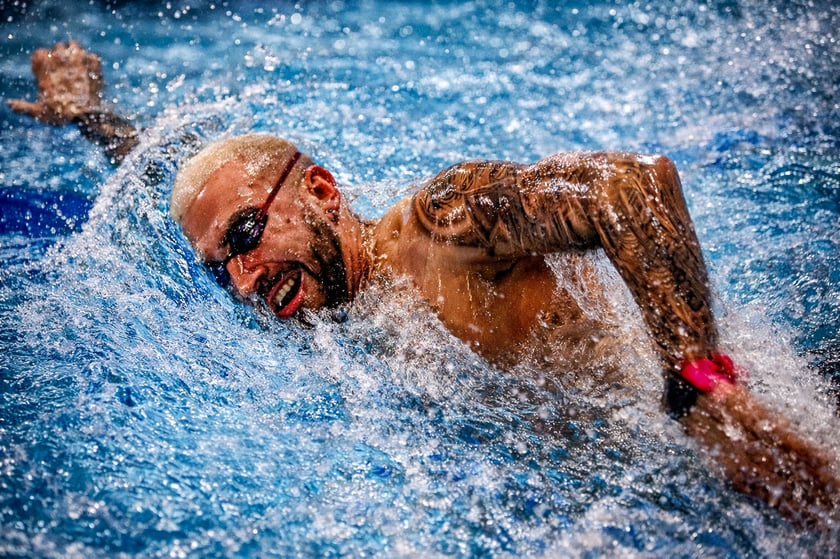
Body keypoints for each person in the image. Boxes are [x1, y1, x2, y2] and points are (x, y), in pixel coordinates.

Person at [9, 41, 839, 528]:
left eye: (247, 237)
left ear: (322, 192)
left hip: (729, 428)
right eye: (220, 266)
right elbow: (173, 188)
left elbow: (635, 185)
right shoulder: (324, 311)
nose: (241, 278)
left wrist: (702, 388)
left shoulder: (442, 226)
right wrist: (92, 117)